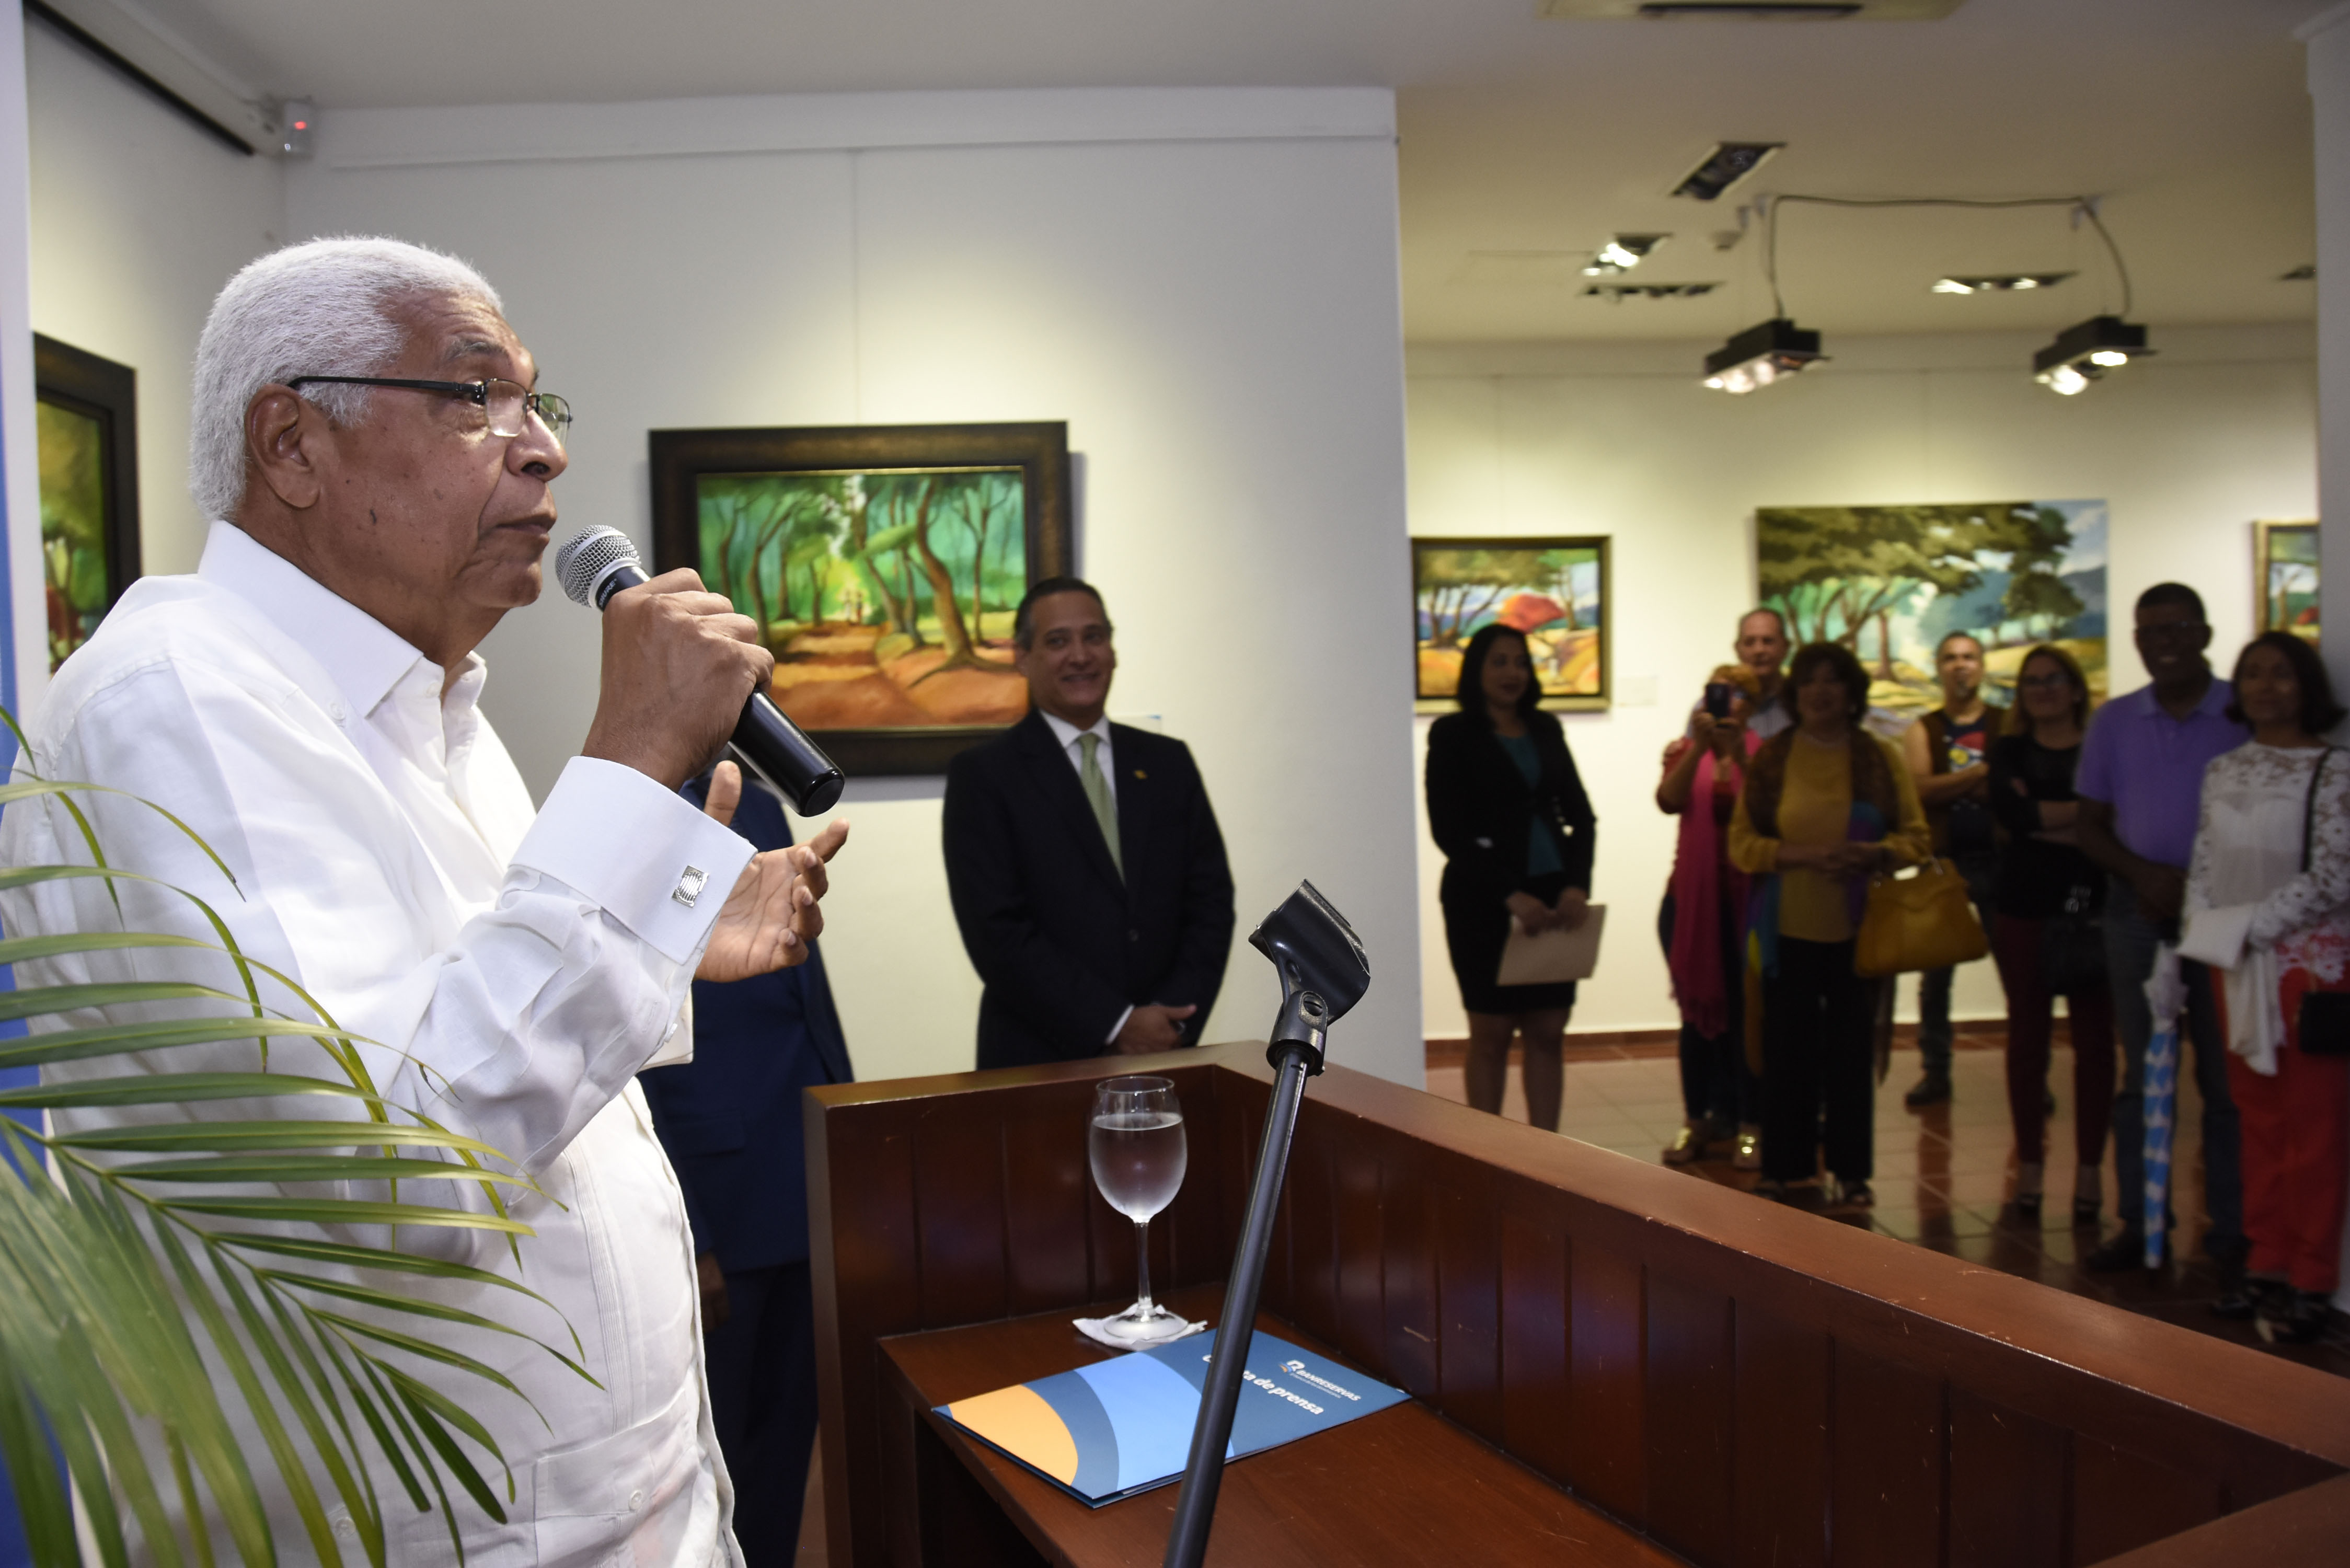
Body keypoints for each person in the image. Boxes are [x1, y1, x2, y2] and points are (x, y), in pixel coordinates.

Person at [0, 238, 848, 1563]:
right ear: (291, 444)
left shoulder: (428, 707)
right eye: (474, 397)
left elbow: (461, 1022)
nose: (543, 449)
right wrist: (630, 769)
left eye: (536, 401)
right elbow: (390, 1175)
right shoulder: (180, 703)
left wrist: (659, 926)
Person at [642, 769, 854, 1564]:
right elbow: (629, 1040)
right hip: (716, 1202)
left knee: (788, 1447)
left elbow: (802, 991)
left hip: (800, 1177)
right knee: (717, 1459)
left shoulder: (761, 802)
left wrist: (842, 1148)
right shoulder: (631, 810)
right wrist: (689, 1232)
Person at [942, 578, 1235, 1067]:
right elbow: (998, 935)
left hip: (1165, 1057)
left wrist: (1170, 1021)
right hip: (1038, 1065)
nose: (1080, 656)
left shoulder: (1169, 764)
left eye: (1094, 637)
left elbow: (1210, 904)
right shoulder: (985, 777)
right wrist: (1116, 1025)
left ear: (1113, 650)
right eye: (1058, 641)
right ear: (1023, 657)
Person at [2074, 583, 2248, 1282]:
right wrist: (2144, 876)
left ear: (2203, 633)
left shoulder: (2240, 711)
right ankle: (2140, 1225)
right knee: (2143, 1074)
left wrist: (2195, 886)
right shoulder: (2114, 721)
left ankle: (2234, 1236)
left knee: (2226, 1081)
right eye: (2149, 631)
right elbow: (2089, 826)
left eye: (2176, 627)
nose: (2163, 642)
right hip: (2136, 913)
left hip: (2225, 915)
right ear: (2136, 642)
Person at [2182, 633, 2350, 1343]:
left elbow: (2336, 873)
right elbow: (2204, 864)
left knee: (2315, 1127)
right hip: (2230, 964)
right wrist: (2194, 940)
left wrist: (2252, 927)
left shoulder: (2334, 770)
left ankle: (2311, 1278)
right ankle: (2266, 1264)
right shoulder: (2222, 769)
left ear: (2306, 684)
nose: (2265, 685)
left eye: (2281, 673)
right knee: (2255, 1120)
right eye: (2252, 674)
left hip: (2307, 969)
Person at [1729, 641, 1930, 1206]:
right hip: (1783, 931)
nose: (1820, 692)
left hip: (1861, 933)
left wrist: (1872, 854)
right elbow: (1741, 844)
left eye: (1832, 680)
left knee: (1849, 1054)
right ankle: (1781, 1167)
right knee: (1785, 1053)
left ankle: (1851, 1172)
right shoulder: (1773, 757)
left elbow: (1917, 838)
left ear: (1851, 693)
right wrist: (1800, 855)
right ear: (1795, 693)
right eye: (1810, 681)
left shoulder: (1879, 757)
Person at [1427, 623, 1597, 1131]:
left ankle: (1545, 1154)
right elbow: (1449, 832)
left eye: (1520, 662)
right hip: (1483, 899)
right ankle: (1489, 1153)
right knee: (1491, 1033)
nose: (1512, 673)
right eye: (1499, 662)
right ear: (1476, 669)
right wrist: (1509, 895)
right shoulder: (1452, 734)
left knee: (1548, 1030)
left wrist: (1577, 885)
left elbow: (1582, 817)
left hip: (1553, 895)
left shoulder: (1545, 728)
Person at [1985, 644, 2113, 1224]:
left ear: (2076, 687)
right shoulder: (2008, 750)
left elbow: (2112, 821)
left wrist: (2044, 818)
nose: (2043, 690)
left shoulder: (2098, 748)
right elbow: (2015, 819)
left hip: (2090, 911)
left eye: (2054, 679)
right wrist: (2084, 819)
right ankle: (2031, 1168)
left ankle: (2089, 1170)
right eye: (2032, 681)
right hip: (2022, 908)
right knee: (2026, 1043)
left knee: (2094, 1046)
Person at [1656, 663, 1763, 1168]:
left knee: (1749, 1016)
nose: (1725, 702)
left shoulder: (1765, 755)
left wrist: (1739, 754)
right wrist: (1699, 747)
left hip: (1750, 904)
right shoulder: (1683, 751)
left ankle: (1751, 1126)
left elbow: (1768, 812)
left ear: (1752, 707)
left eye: (1737, 694)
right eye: (1718, 692)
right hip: (1689, 905)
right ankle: (1696, 1119)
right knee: (1695, 1016)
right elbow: (1668, 800)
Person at [1899, 632, 2007, 1108]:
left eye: (1968, 657)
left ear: (1982, 665)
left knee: (2018, 971)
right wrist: (1980, 775)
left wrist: (1952, 786)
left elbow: (2013, 787)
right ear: (1939, 668)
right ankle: (1935, 1071)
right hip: (1943, 864)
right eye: (1950, 658)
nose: (1960, 666)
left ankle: (2031, 1075)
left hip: (2003, 863)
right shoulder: (1923, 729)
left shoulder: (2007, 724)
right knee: (1936, 978)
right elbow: (1920, 790)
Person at [1690, 607, 1793, 743]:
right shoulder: (1707, 707)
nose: (1759, 650)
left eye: (1768, 641)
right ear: (1737, 649)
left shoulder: (1802, 702)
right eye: (1749, 642)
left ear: (1786, 647)